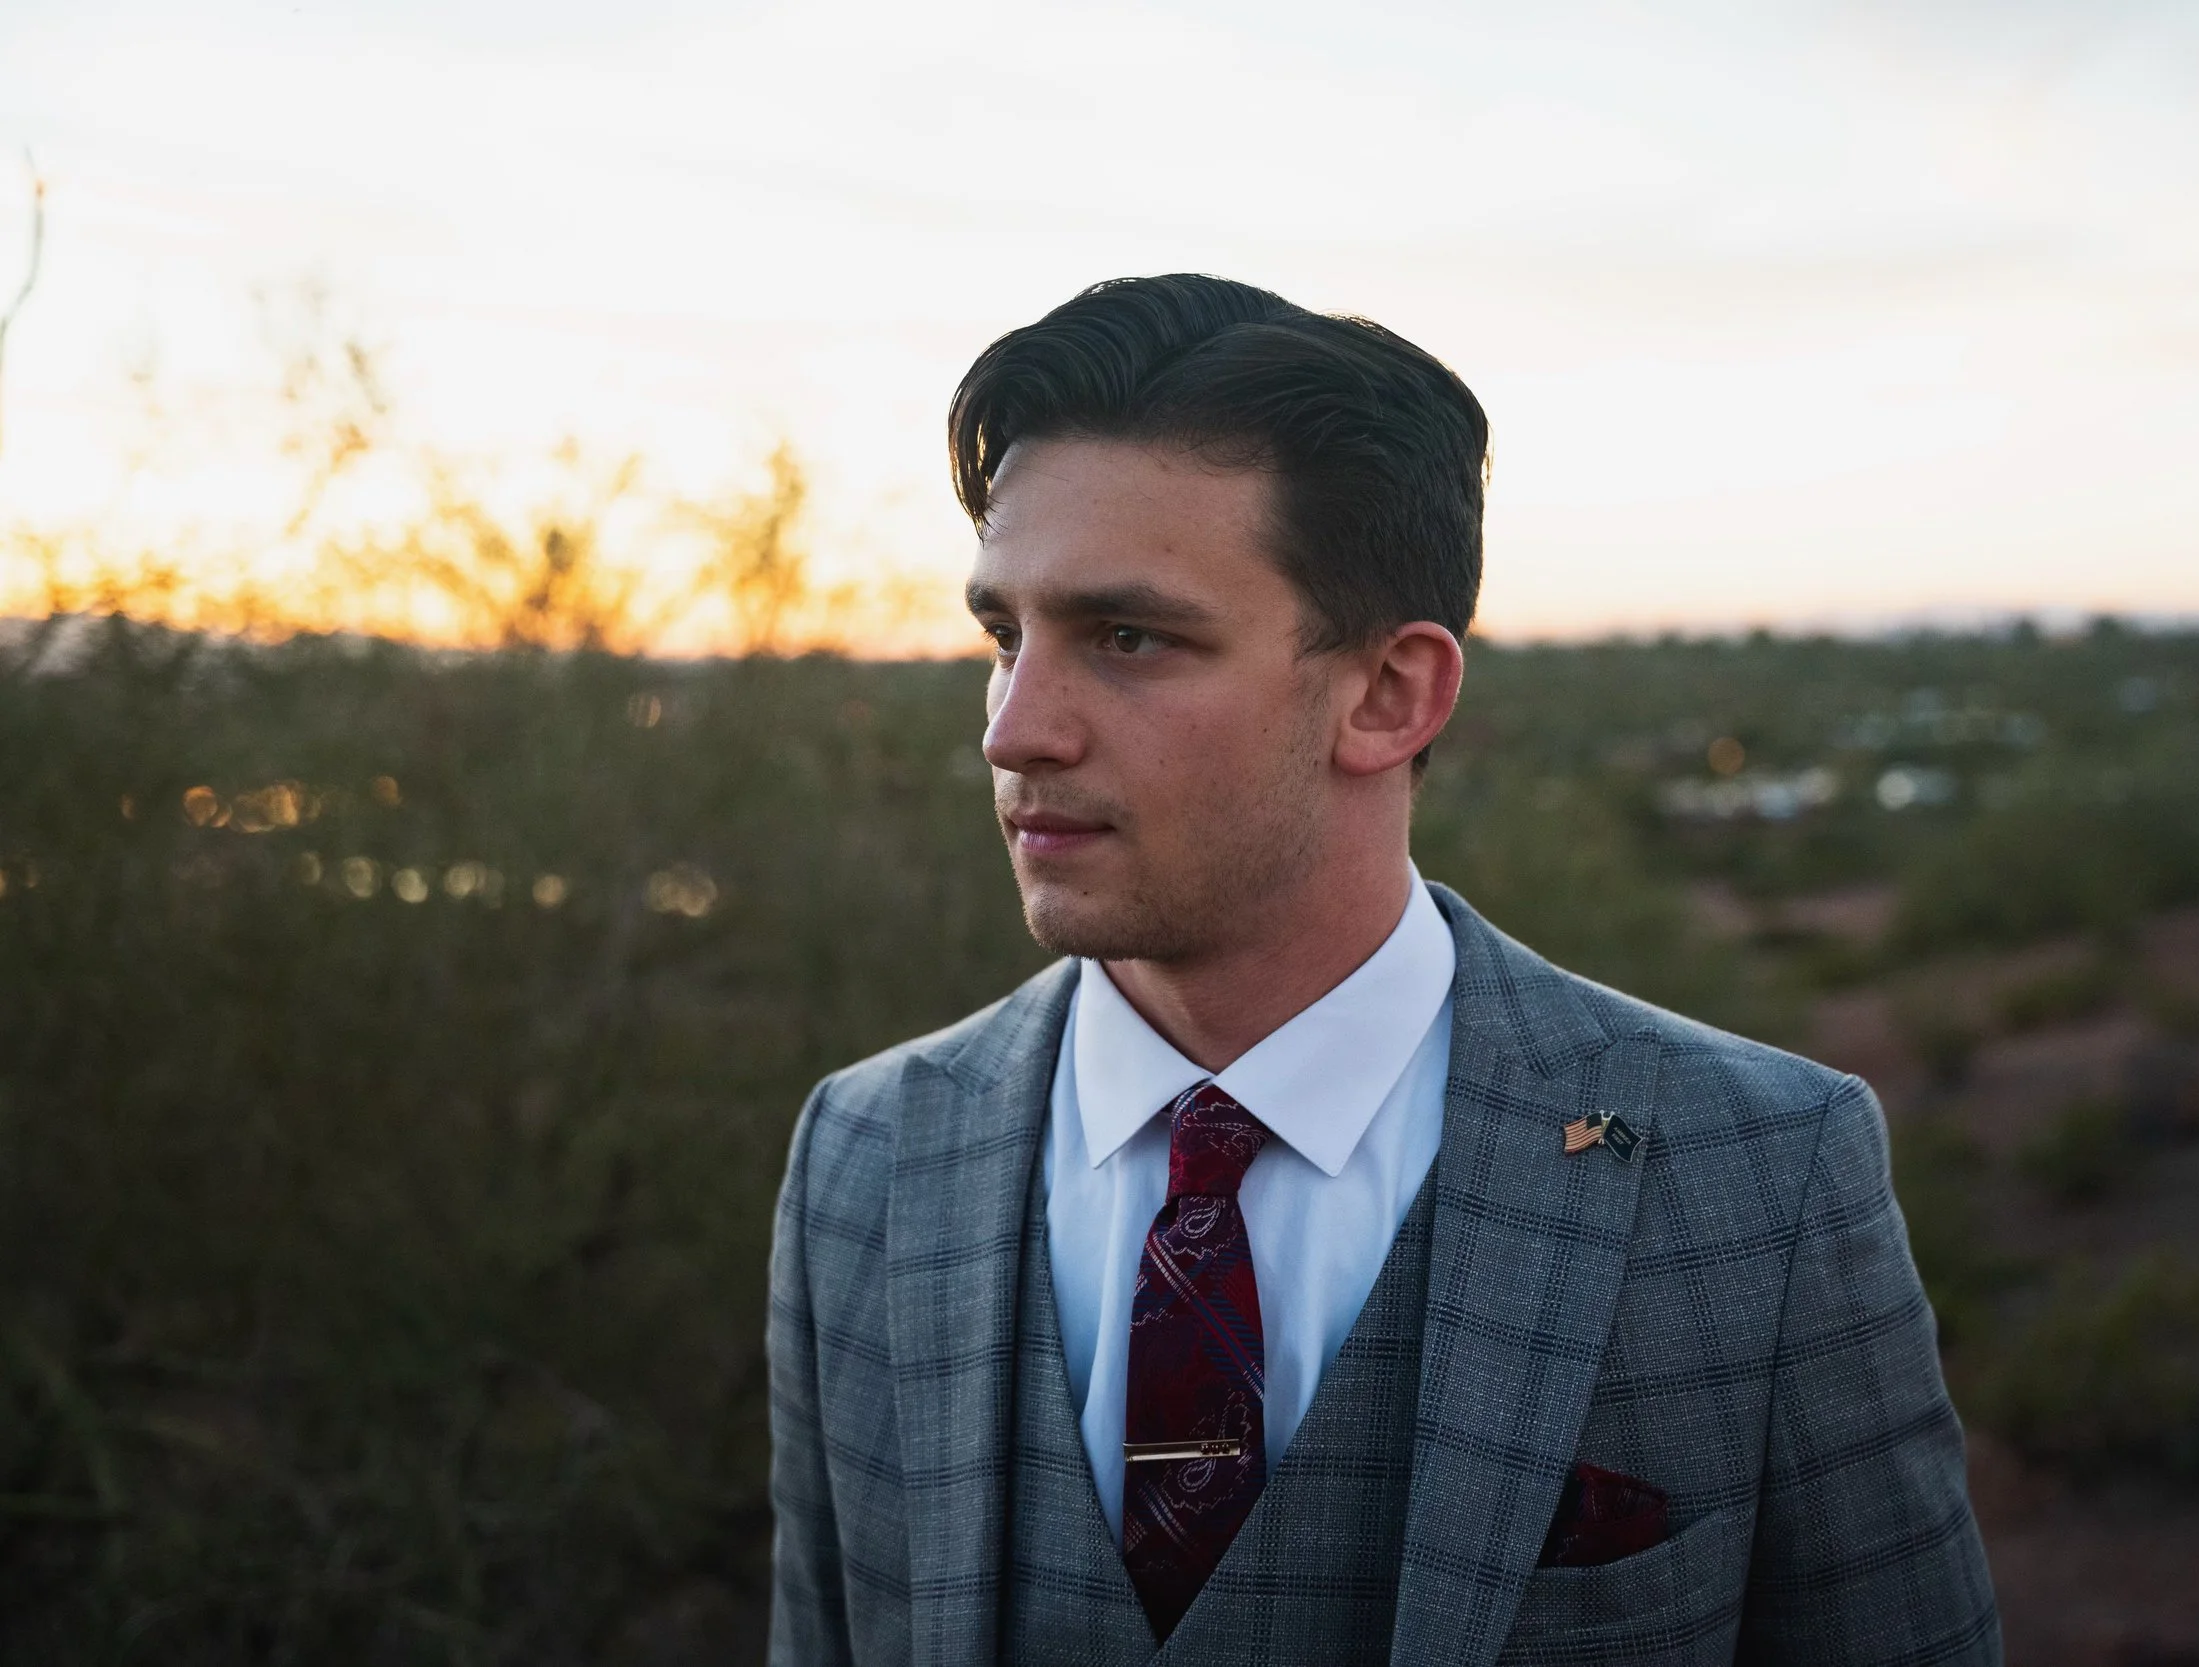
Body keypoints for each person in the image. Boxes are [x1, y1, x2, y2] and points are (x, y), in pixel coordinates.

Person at [766, 274, 1999, 1666]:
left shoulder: (1761, 1179)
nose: (1016, 727)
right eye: (1005, 636)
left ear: (1388, 695)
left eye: (1128, 638)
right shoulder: (865, 1158)